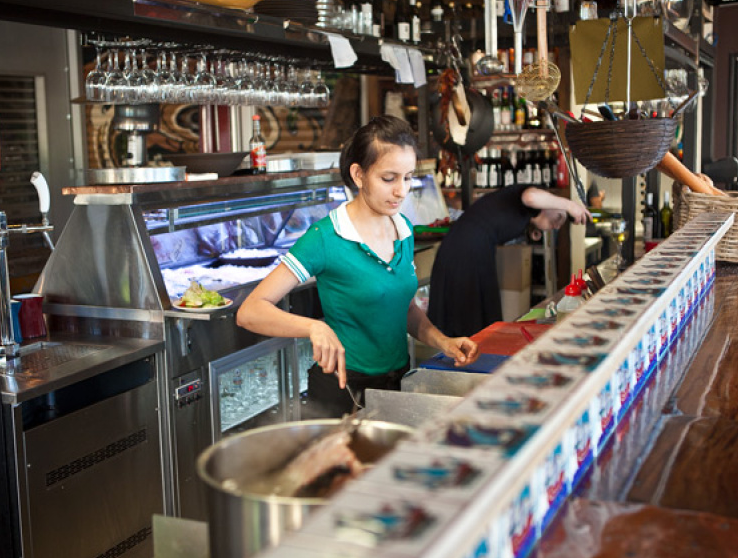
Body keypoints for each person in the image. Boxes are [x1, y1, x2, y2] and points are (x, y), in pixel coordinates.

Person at [237, 116, 479, 418]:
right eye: (389, 179)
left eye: (407, 177)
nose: (401, 191)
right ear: (359, 174)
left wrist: (444, 342)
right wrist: (314, 327)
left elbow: (403, 309)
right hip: (342, 391)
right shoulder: (326, 237)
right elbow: (250, 311)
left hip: (395, 385)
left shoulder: (402, 227)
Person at [427, 185, 592, 338]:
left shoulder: (526, 215)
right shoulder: (530, 193)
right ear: (549, 203)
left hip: (472, 250)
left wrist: (532, 229)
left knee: (480, 324)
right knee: (470, 323)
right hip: (464, 251)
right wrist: (570, 205)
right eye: (559, 217)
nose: (557, 226)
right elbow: (531, 197)